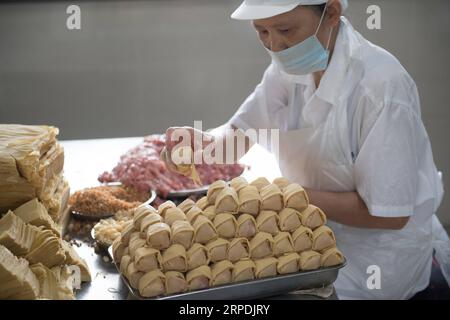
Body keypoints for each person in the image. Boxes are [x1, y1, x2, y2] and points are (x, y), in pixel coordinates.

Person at [161, 0, 445, 299]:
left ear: (331, 12)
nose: (275, 45)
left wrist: (283, 196)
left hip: (375, 261)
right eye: (261, 31)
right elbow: (242, 132)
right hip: (303, 239)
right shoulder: (288, 69)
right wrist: (204, 147)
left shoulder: (381, 87)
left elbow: (390, 215)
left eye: (285, 29)